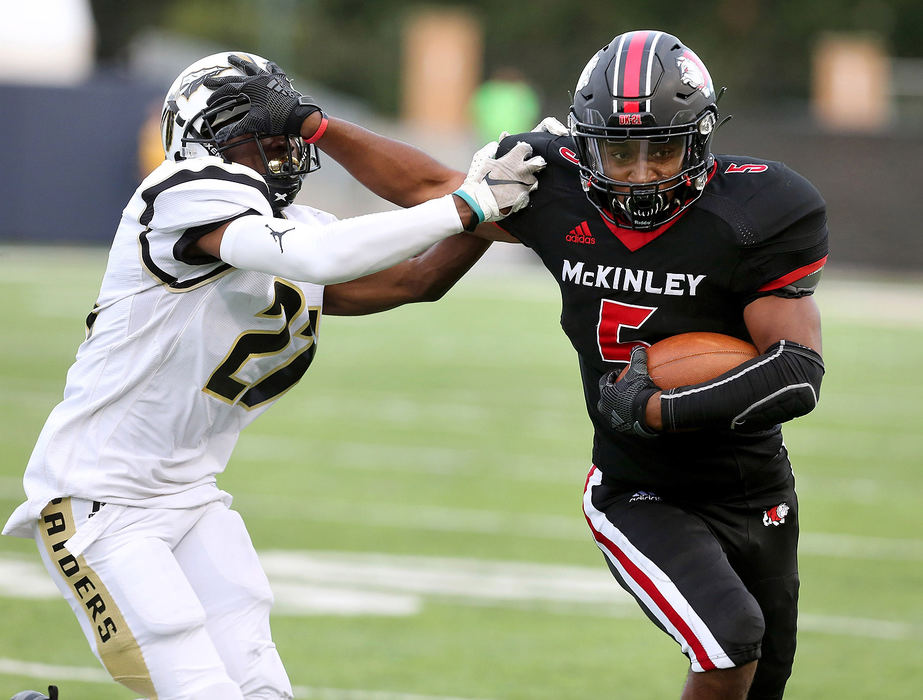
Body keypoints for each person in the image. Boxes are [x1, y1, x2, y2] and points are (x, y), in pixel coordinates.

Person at [2, 51, 544, 700]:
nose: (278, 147)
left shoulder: (288, 224)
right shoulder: (179, 190)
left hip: (190, 493)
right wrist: (470, 203)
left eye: (282, 131)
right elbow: (324, 255)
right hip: (98, 500)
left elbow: (414, 278)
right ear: (207, 138)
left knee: (262, 688)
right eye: (257, 133)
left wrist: (502, 204)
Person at [481, 30, 827, 699]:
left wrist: (656, 409)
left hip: (755, 488)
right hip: (638, 488)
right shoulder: (550, 184)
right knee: (728, 637)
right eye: (618, 150)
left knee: (763, 680)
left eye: (662, 149)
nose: (640, 172)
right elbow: (424, 193)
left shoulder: (760, 207)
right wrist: (321, 127)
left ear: (699, 140)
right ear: (584, 142)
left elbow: (796, 372)